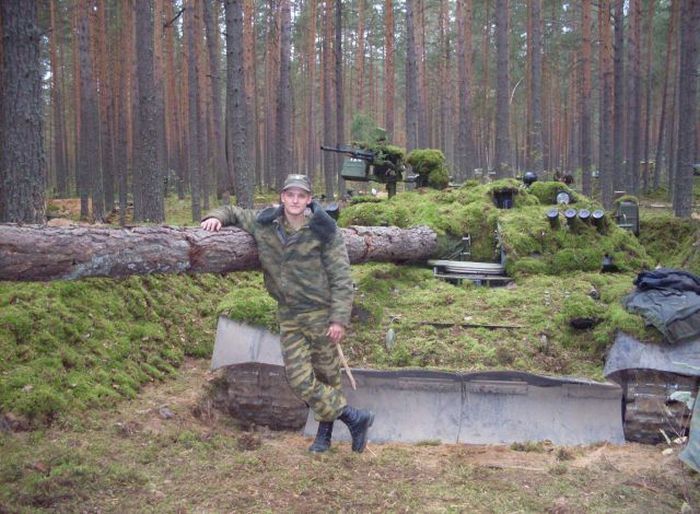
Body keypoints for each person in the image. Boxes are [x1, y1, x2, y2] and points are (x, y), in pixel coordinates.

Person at [200, 174, 374, 453]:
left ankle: (324, 436)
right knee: (299, 378)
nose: (295, 200)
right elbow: (233, 212)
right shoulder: (265, 224)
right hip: (290, 315)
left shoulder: (324, 230)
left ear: (308, 200)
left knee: (327, 374)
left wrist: (339, 319)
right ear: (282, 197)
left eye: (300, 196)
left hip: (320, 314)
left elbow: (341, 277)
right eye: (290, 195)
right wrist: (215, 217)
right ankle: (354, 417)